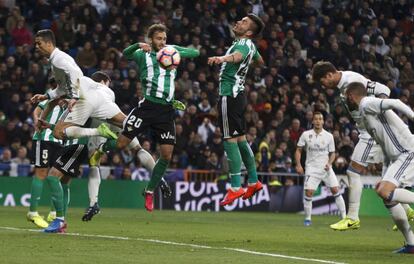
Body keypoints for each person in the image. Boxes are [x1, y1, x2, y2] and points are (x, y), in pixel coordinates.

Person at [99, 25, 199, 212]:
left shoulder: (171, 53)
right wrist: (138, 45)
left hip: (166, 111)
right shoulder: (142, 54)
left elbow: (195, 53)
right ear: (150, 39)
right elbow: (125, 54)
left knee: (167, 155)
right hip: (146, 108)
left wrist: (174, 49)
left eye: (164, 38)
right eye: (159, 38)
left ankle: (150, 191)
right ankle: (102, 146)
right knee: (121, 144)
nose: (162, 41)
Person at [312, 61, 390, 230]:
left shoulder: (352, 79)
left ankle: (353, 217)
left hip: (371, 133)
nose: (322, 85)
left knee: (353, 172)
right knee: (386, 178)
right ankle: (405, 211)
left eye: (322, 81)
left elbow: (384, 89)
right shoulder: (343, 84)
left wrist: (379, 110)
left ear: (329, 75)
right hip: (367, 132)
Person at [345, 82, 414, 254]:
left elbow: (396, 103)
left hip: (407, 151)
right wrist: (384, 170)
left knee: (385, 192)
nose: (346, 100)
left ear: (351, 96)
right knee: (385, 195)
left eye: (347, 97)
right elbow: (384, 143)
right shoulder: (364, 114)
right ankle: (411, 243)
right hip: (396, 157)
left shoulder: (368, 103)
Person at [207, 14, 265, 206]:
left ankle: (235, 187)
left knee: (229, 140)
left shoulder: (242, 44)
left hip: (229, 95)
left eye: (244, 22)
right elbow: (260, 61)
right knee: (240, 139)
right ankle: (254, 181)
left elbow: (238, 57)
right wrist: (245, 68)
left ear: (249, 32)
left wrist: (221, 58)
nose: (239, 22)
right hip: (238, 95)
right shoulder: (251, 45)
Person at [29, 29, 117, 141]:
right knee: (120, 124)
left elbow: (74, 73)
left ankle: (100, 134)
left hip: (82, 97)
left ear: (49, 43)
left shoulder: (57, 59)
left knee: (58, 132)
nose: (36, 46)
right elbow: (62, 89)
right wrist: (45, 96)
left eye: (39, 43)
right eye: (36, 44)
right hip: (87, 95)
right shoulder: (57, 59)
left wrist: (75, 97)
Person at [295, 112, 346, 226]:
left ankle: (344, 217)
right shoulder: (306, 134)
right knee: (309, 192)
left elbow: (332, 153)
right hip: (311, 168)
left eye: (320, 119)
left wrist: (329, 163)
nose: (318, 121)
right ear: (312, 121)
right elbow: (298, 150)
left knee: (335, 190)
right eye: (316, 119)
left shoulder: (329, 136)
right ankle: (308, 219)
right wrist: (298, 165)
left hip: (325, 168)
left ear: (323, 121)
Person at [26, 95, 64, 228]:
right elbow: (37, 110)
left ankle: (53, 213)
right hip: (44, 139)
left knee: (56, 176)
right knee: (41, 173)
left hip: (59, 142)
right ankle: (33, 212)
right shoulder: (52, 96)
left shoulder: (72, 98)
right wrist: (37, 121)